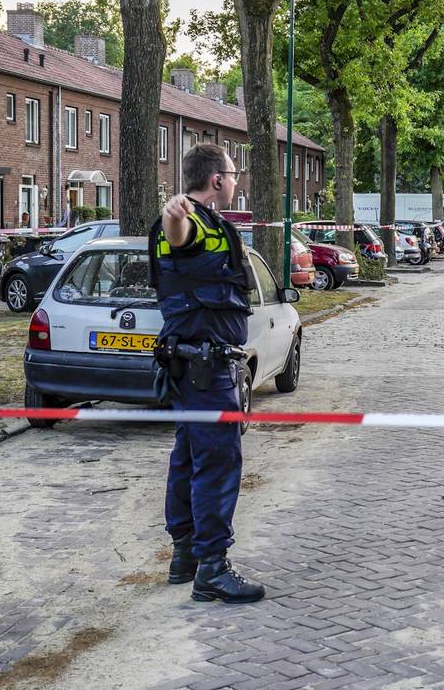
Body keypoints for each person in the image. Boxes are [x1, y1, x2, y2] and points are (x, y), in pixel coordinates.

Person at [150, 143, 264, 604]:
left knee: (188, 456)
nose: (237, 182)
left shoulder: (214, 223)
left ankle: (185, 556)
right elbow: (178, 237)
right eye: (234, 175)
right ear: (216, 179)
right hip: (205, 367)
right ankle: (212, 568)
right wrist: (174, 212)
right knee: (217, 462)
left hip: (190, 361)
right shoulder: (192, 219)